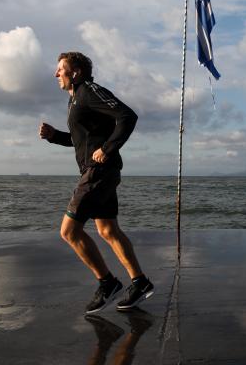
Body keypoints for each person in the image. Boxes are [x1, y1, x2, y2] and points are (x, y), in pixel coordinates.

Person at [39, 51, 154, 314]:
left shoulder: (89, 91)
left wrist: (108, 148)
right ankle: (140, 283)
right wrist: (54, 136)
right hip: (99, 171)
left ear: (75, 72)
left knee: (69, 231)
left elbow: (127, 116)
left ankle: (108, 283)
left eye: (61, 69)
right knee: (108, 231)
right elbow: (81, 139)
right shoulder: (75, 100)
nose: (56, 74)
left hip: (99, 171)